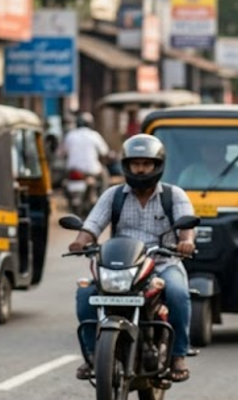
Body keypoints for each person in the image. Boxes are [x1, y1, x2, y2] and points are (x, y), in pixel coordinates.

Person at [69, 134, 197, 382]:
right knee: (86, 294)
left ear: (157, 165)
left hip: (162, 262)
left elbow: (187, 226)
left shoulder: (174, 195)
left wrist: (187, 242)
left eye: (146, 164)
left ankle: (178, 354)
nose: (140, 169)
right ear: (126, 165)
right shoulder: (113, 195)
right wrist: (80, 241)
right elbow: (92, 224)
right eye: (135, 163)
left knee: (179, 293)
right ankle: (93, 356)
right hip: (121, 266)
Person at [62, 112, 110, 190]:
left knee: (64, 178)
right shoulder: (94, 135)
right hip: (92, 170)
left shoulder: (70, 135)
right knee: (104, 173)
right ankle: (103, 196)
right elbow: (104, 151)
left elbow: (62, 153)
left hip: (72, 170)